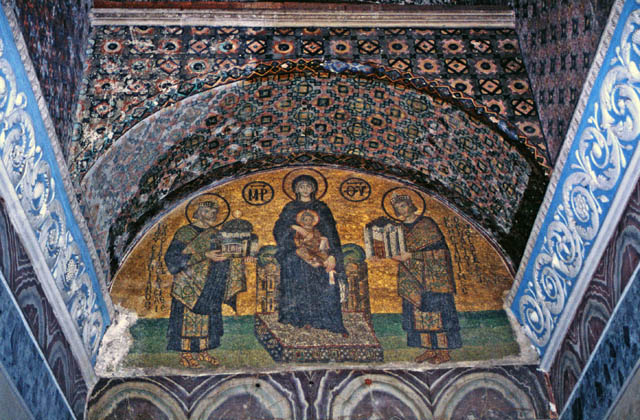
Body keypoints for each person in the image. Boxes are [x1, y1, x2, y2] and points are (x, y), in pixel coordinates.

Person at [164, 201, 247, 368]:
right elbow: (172, 259)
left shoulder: (216, 234)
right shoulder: (185, 232)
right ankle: (186, 354)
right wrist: (204, 255)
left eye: (214, 212)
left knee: (207, 318)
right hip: (188, 283)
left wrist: (231, 259)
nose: (211, 215)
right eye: (207, 211)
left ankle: (203, 351)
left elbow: (225, 254)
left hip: (210, 282)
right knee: (187, 319)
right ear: (198, 212)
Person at [273, 174, 348, 337]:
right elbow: (279, 229)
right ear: (296, 189)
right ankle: (299, 319)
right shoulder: (290, 207)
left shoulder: (321, 207)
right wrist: (295, 228)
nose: (305, 189)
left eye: (308, 186)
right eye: (301, 186)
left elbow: (331, 231)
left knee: (326, 275)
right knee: (295, 267)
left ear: (313, 188)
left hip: (321, 252)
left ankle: (325, 321)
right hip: (296, 252)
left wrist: (332, 255)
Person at [390, 193, 461, 364]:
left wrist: (412, 256)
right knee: (418, 313)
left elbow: (441, 251)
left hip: (433, 277)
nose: (402, 210)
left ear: (410, 205)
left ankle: (443, 351)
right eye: (398, 208)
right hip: (412, 276)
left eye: (403, 205)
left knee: (438, 312)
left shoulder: (426, 224)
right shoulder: (398, 229)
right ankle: (429, 349)